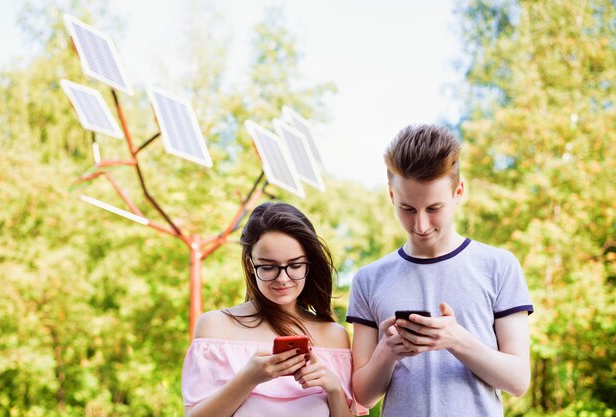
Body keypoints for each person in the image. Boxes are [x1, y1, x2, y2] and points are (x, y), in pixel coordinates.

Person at [347, 124, 533, 416]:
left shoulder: (499, 266)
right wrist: (388, 350)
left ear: (459, 192)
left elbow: (518, 380)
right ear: (392, 196)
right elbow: (363, 396)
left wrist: (456, 340)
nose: (420, 225)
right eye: (408, 209)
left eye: (434, 208)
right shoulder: (369, 279)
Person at [182, 202, 367, 417]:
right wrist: (249, 378)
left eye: (295, 265)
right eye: (268, 267)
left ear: (309, 263)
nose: (283, 279)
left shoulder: (334, 336)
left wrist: (334, 389)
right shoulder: (215, 326)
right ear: (250, 264)